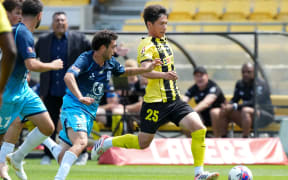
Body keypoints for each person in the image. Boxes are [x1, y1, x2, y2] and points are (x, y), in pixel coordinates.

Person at [91, 5, 219, 180]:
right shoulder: (146, 45)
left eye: (166, 23)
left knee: (199, 129)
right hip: (155, 103)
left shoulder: (165, 41)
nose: (165, 27)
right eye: (161, 23)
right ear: (150, 24)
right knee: (142, 143)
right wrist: (164, 74)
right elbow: (144, 71)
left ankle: (199, 174)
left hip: (174, 100)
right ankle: (106, 143)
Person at [42, 30, 161, 180]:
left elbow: (124, 71)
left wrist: (145, 69)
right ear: (103, 48)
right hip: (75, 106)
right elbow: (68, 76)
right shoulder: (85, 59)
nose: (115, 50)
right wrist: (80, 97)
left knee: (62, 157)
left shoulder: (110, 62)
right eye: (113, 47)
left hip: (89, 112)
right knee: (81, 142)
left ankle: (45, 140)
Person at [0, 0, 63, 180]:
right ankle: (3, 167)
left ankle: (17, 157)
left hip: (23, 89)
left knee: (47, 127)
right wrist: (52, 65)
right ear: (40, 16)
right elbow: (32, 64)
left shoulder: (15, 31)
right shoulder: (23, 33)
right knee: (3, 133)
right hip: (9, 92)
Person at [35, 11, 91, 165]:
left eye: (62, 20)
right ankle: (47, 155)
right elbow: (32, 59)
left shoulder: (79, 39)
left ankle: (82, 153)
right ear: (52, 23)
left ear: (67, 23)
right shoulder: (44, 40)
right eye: (57, 20)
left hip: (73, 91)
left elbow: (93, 54)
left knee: (76, 123)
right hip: (50, 90)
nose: (60, 22)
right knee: (49, 125)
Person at [220, 62, 274, 138]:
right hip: (247, 117)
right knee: (224, 110)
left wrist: (234, 106)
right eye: (243, 72)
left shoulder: (261, 84)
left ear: (254, 72)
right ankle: (222, 138)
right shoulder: (240, 84)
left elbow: (254, 102)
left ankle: (245, 139)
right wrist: (228, 105)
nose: (245, 74)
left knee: (246, 110)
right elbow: (235, 99)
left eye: (249, 72)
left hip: (264, 116)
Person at [183, 66, 226, 137]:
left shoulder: (213, 87)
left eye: (201, 75)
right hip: (204, 117)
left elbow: (206, 103)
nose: (199, 78)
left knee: (214, 112)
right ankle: (195, 142)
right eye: (197, 76)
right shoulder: (193, 88)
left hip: (220, 118)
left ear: (207, 76)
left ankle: (217, 139)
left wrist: (192, 112)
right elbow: (183, 101)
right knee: (185, 120)